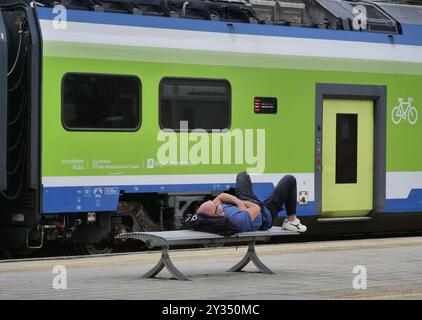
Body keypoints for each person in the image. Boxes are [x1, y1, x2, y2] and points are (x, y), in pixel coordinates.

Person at [196, 172, 307, 233]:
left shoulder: (215, 212)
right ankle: (291, 221)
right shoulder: (237, 220)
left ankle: (243, 199)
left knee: (242, 175)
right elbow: (256, 208)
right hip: (265, 213)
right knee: (289, 180)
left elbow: (221, 196)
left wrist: (240, 202)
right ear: (216, 215)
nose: (217, 203)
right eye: (216, 206)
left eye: (214, 202)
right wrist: (242, 203)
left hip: (246, 203)